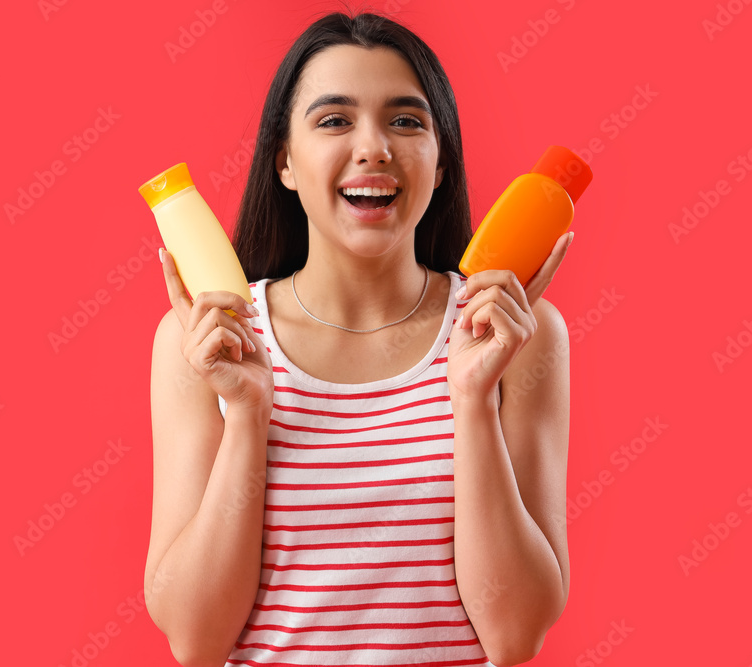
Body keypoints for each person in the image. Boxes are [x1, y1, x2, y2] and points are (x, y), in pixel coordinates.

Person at [144, 10, 572, 667]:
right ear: (284, 161)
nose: (374, 146)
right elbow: (195, 640)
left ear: (441, 160)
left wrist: (472, 399)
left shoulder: (513, 336)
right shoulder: (206, 340)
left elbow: (515, 636)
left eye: (406, 120)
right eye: (334, 119)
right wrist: (249, 414)